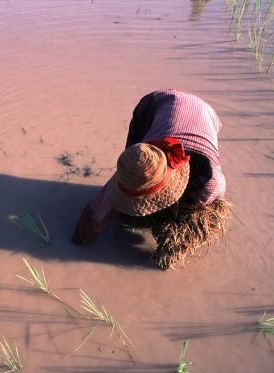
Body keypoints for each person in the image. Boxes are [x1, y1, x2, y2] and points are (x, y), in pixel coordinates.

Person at [72, 89, 230, 269]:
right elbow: (98, 211)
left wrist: (172, 222)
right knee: (133, 155)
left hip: (205, 114)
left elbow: (199, 215)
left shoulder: (211, 183)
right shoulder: (139, 163)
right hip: (156, 104)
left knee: (181, 210)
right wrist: (80, 237)